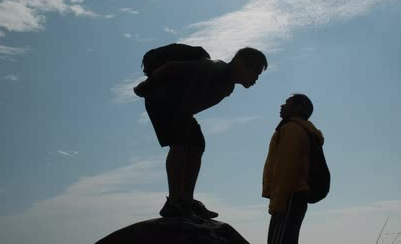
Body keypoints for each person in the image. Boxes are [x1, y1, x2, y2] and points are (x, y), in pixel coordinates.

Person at [134, 47, 267, 219]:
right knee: (180, 143)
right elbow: (172, 67)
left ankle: (186, 200)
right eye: (255, 72)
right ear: (241, 64)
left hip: (180, 109)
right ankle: (174, 202)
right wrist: (144, 87)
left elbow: (195, 99)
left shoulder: (228, 87)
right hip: (161, 100)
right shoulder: (213, 67)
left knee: (197, 144)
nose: (256, 78)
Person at [262, 94, 324, 244]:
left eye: (287, 102)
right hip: (294, 196)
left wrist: (278, 203)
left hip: (289, 196)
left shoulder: (292, 129)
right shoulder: (299, 128)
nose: (282, 106)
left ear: (298, 108)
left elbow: (287, 168)